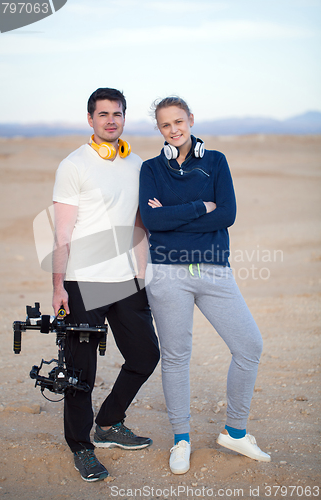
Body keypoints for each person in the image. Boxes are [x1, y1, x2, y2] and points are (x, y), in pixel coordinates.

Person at [139, 96, 270, 475]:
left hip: (214, 270)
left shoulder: (215, 162)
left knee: (249, 345)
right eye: (166, 125)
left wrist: (171, 215)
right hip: (167, 274)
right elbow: (152, 220)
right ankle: (181, 439)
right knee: (177, 357)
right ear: (160, 129)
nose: (174, 129)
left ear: (191, 120)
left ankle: (235, 431)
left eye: (179, 121)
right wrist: (201, 208)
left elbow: (227, 214)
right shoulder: (150, 169)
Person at [52, 87, 160, 482]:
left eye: (117, 113)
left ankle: (109, 422)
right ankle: (81, 446)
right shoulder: (74, 165)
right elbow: (62, 232)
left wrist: (141, 274)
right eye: (103, 114)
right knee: (81, 371)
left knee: (145, 355)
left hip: (125, 280)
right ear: (90, 119)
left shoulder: (138, 165)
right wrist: (58, 286)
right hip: (84, 280)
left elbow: (138, 225)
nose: (110, 120)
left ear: (124, 118)